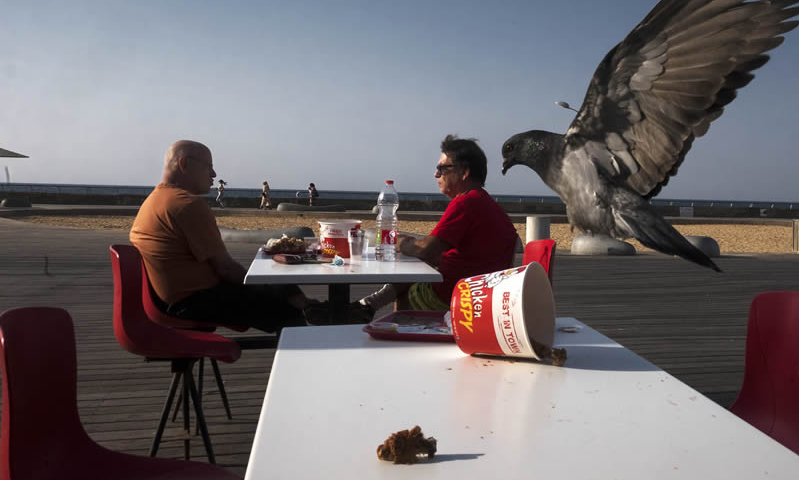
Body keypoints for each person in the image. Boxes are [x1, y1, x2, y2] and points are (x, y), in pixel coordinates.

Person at [130, 141, 317, 332]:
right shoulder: (186, 205)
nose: (214, 174)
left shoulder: (154, 200)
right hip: (193, 302)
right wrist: (266, 285)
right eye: (209, 167)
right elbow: (226, 269)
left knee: (276, 284)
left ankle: (309, 305)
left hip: (168, 301)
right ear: (184, 163)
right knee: (286, 309)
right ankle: (311, 317)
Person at [352, 135, 519, 319]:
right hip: (484, 296)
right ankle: (367, 305)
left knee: (408, 279)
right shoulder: (486, 204)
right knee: (420, 267)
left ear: (464, 172)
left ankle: (398, 331)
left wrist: (398, 241)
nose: (436, 174)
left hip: (456, 298)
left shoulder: (467, 203)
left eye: (442, 168)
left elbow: (425, 249)